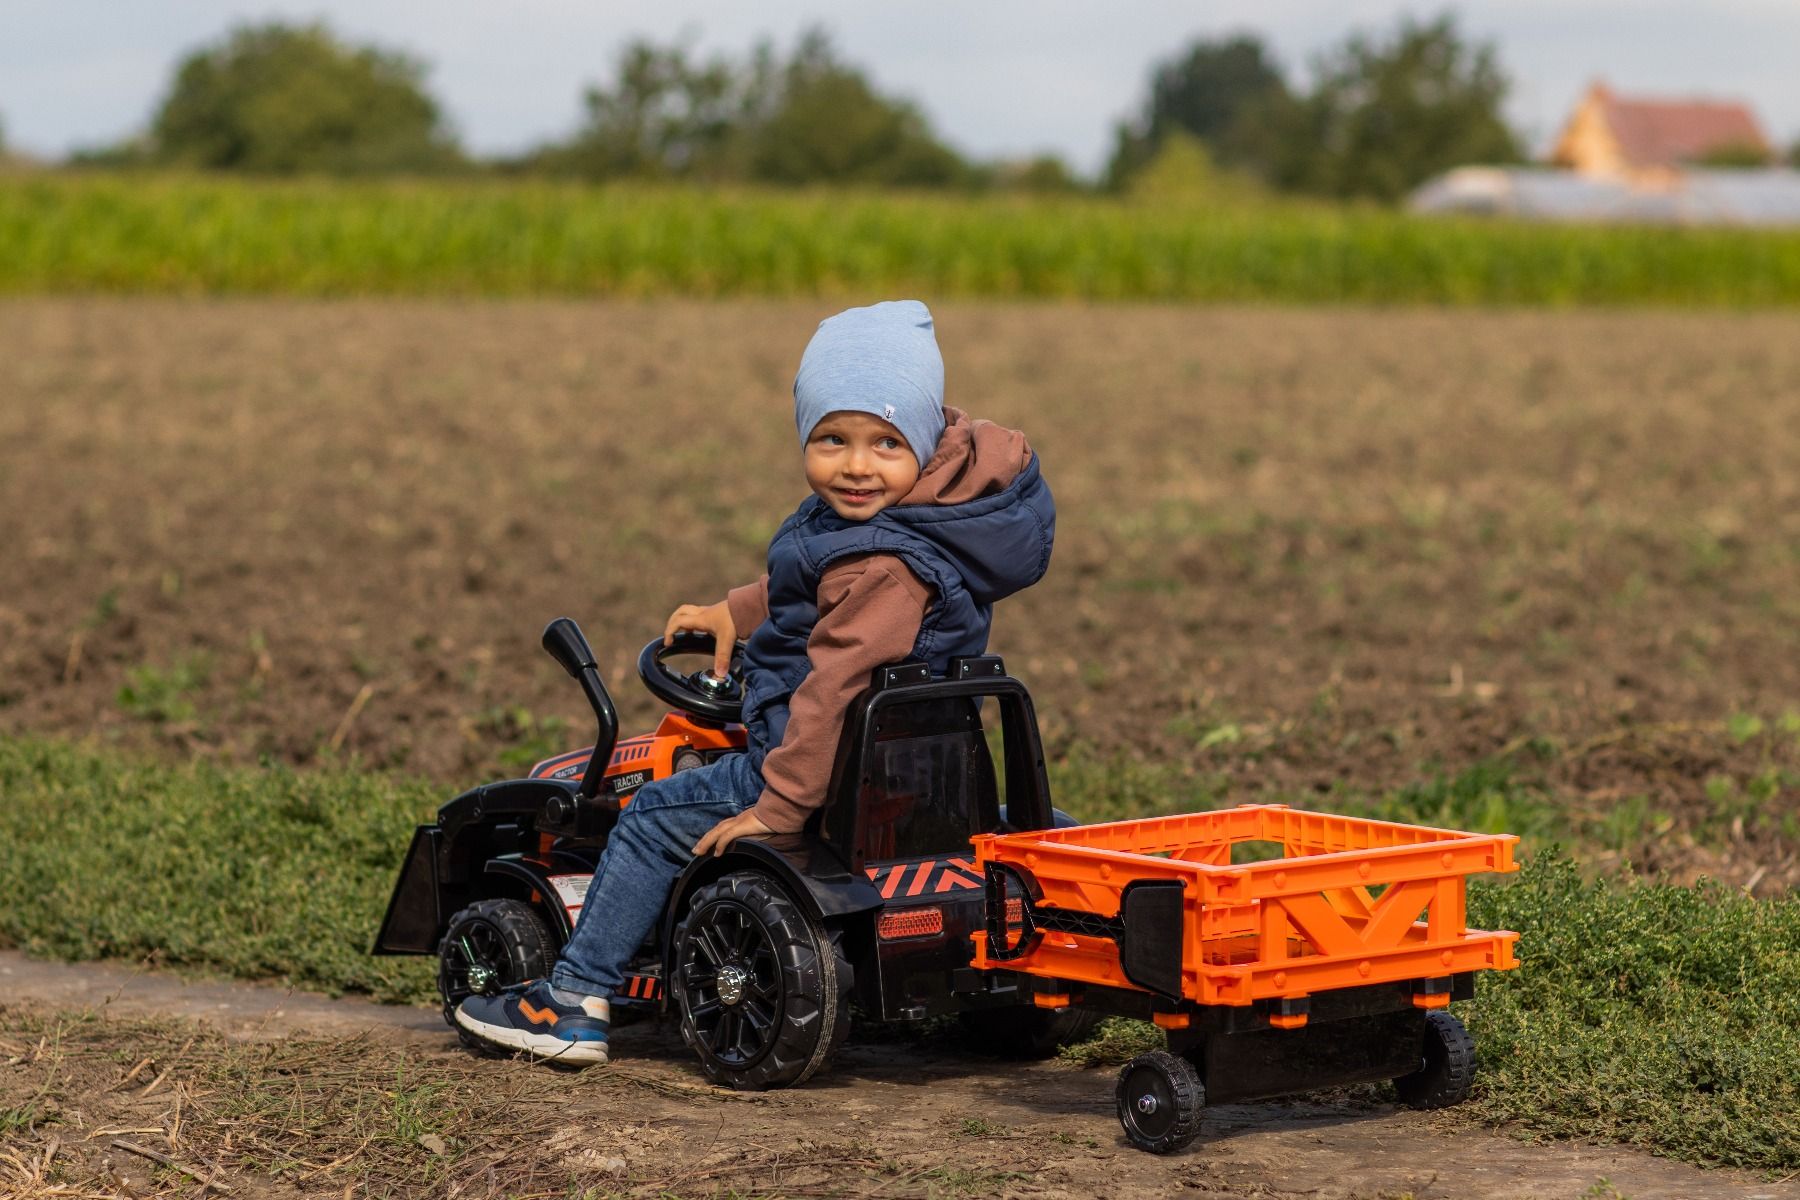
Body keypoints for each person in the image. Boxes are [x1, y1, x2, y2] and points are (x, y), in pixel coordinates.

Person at [454, 299, 1054, 1065]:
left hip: (822, 770)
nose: (856, 465)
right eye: (832, 439)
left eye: (885, 442)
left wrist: (777, 805)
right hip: (915, 776)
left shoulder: (884, 567)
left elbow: (834, 691)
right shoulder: (909, 522)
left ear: (926, 441)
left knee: (652, 814)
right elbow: (812, 586)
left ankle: (571, 998)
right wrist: (737, 610)